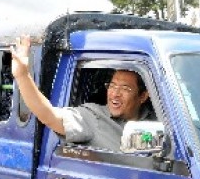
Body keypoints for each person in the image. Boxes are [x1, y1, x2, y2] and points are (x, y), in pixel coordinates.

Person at [10, 35, 152, 151]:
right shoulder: (93, 117)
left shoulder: (157, 119)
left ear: (143, 96)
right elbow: (49, 115)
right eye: (112, 86)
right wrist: (22, 76)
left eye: (125, 88)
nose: (115, 93)